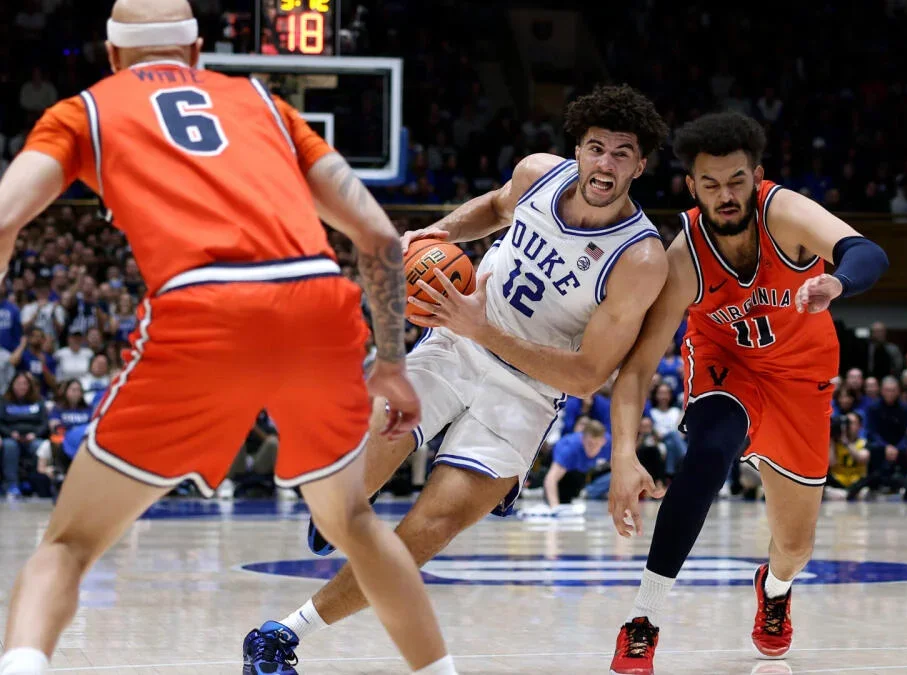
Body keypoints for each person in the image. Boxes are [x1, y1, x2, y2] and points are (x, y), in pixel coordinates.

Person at [0, 2, 454, 674]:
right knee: (354, 524)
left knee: (68, 544)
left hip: (203, 308)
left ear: (112, 55)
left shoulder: (85, 109)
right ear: (197, 50)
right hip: (316, 307)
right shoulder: (261, 103)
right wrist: (391, 362)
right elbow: (382, 237)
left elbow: (6, 216)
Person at [249, 84, 671, 669]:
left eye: (622, 153)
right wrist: (431, 239)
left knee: (432, 526)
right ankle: (341, 510)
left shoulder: (640, 258)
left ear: (641, 165)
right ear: (577, 149)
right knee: (373, 430)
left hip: (526, 390)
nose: (605, 164)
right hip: (455, 341)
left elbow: (587, 376)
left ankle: (283, 635)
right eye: (596, 147)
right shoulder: (537, 175)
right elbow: (496, 209)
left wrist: (484, 331)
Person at [605, 112, 887, 672]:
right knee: (711, 453)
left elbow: (867, 252)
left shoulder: (784, 213)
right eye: (710, 184)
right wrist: (622, 452)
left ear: (756, 176)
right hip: (726, 368)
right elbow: (638, 367)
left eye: (736, 180)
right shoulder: (682, 257)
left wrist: (837, 281)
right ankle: (644, 619)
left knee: (795, 547)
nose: (725, 195)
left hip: (802, 385)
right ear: (692, 187)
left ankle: (775, 590)